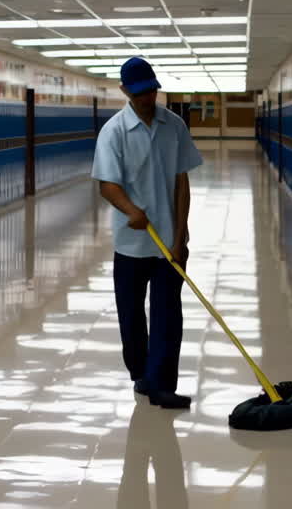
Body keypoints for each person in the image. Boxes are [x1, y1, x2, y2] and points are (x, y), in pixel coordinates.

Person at [92, 57, 203, 409]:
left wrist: (181, 235)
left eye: (152, 90)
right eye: (139, 93)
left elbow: (181, 181)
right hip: (131, 243)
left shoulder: (174, 126)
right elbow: (107, 185)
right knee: (131, 314)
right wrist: (131, 211)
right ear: (125, 91)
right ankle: (141, 373)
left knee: (168, 313)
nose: (147, 98)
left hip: (168, 243)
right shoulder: (114, 132)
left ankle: (162, 384)